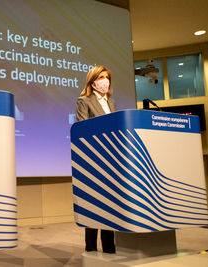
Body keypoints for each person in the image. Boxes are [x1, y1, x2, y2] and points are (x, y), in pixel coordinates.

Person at [75, 65, 116, 253]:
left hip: (111, 161)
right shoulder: (84, 101)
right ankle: (91, 250)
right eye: (101, 77)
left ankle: (109, 249)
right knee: (93, 207)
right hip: (94, 160)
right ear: (93, 81)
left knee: (110, 207)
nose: (105, 81)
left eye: (107, 77)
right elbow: (83, 129)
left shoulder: (112, 102)